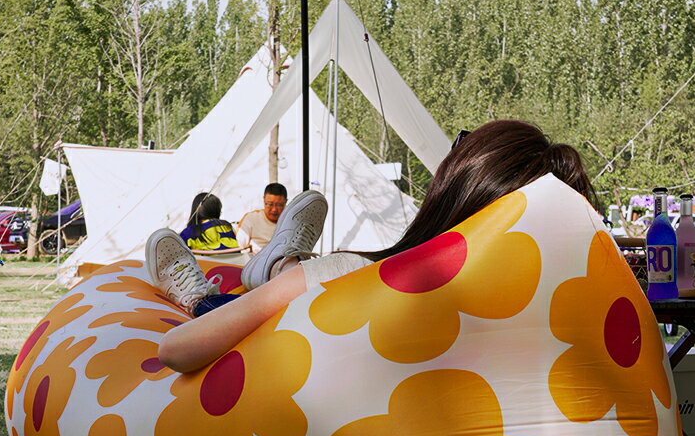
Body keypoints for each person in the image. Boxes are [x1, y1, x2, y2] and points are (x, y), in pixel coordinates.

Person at [146, 120, 599, 373]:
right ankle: (280, 262)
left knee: (263, 301)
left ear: (453, 192)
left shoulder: (351, 278)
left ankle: (211, 291)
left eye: (459, 145)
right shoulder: (561, 322)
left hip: (297, 331)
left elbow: (176, 350)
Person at [236, 182, 288, 253]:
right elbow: (239, 247)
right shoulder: (251, 219)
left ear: (286, 202)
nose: (274, 209)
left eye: (279, 205)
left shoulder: (291, 221)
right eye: (270, 204)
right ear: (264, 200)